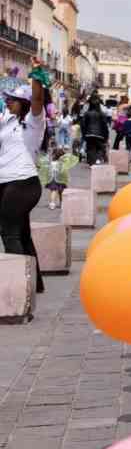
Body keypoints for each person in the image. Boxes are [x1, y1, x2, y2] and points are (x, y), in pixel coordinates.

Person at [0, 70, 48, 294]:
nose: (7, 101)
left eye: (11, 99)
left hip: (23, 182)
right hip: (5, 181)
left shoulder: (34, 122)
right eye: (6, 98)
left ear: (23, 102)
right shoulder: (7, 120)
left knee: (8, 231)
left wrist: (37, 77)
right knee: (22, 233)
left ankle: (17, 287)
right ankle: (34, 284)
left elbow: (38, 99)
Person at [79, 96, 109, 165]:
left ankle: (91, 162)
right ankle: (98, 159)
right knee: (100, 147)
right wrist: (106, 136)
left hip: (89, 134)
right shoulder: (102, 114)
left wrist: (84, 134)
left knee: (90, 148)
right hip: (100, 135)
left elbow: (83, 125)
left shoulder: (87, 114)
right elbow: (105, 126)